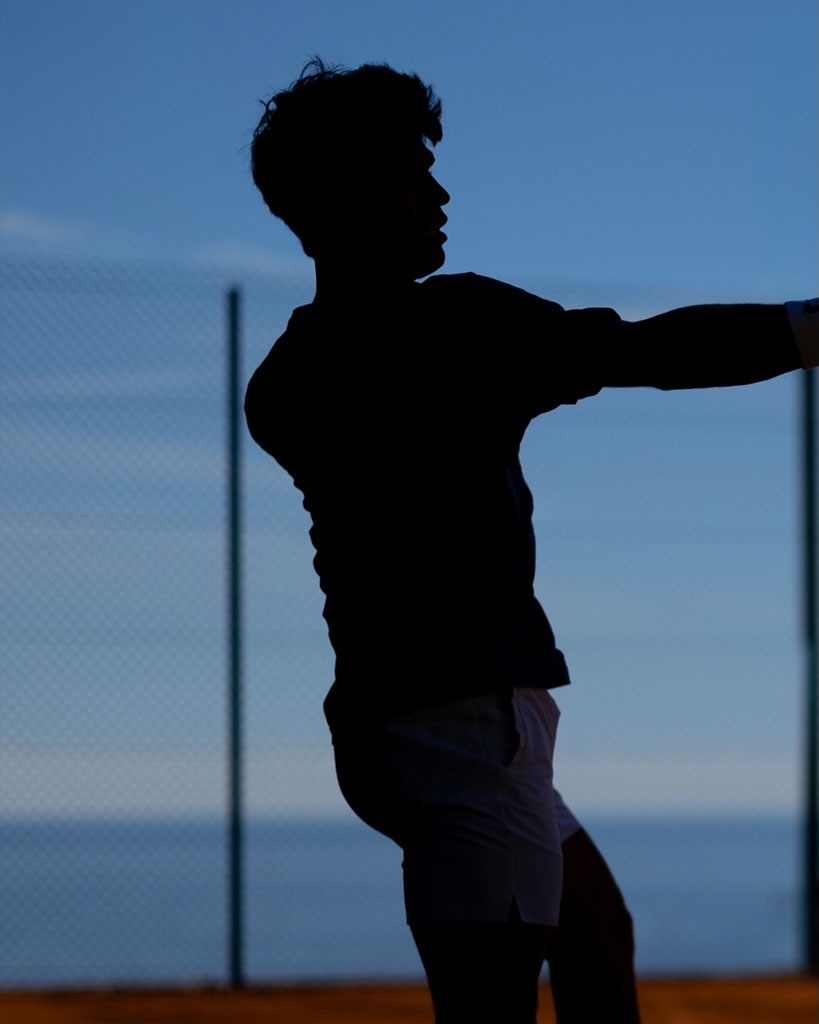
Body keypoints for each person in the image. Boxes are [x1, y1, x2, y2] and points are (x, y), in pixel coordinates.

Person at [243, 58, 818, 1024]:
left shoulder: (285, 377)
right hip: (466, 731)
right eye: (409, 175)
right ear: (335, 198)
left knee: (594, 929)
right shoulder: (454, 327)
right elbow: (654, 351)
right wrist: (809, 329)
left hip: (390, 726)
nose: (438, 195)